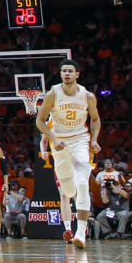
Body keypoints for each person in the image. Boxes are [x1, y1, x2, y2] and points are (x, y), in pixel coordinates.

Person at [36, 60, 100, 248]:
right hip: (60, 142)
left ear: (77, 74)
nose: (66, 73)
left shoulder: (87, 96)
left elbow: (95, 120)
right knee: (68, 189)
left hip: (80, 140)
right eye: (64, 71)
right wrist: (53, 139)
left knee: (82, 182)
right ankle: (75, 218)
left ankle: (80, 232)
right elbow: (40, 121)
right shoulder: (52, 94)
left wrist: (94, 139)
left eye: (70, 71)